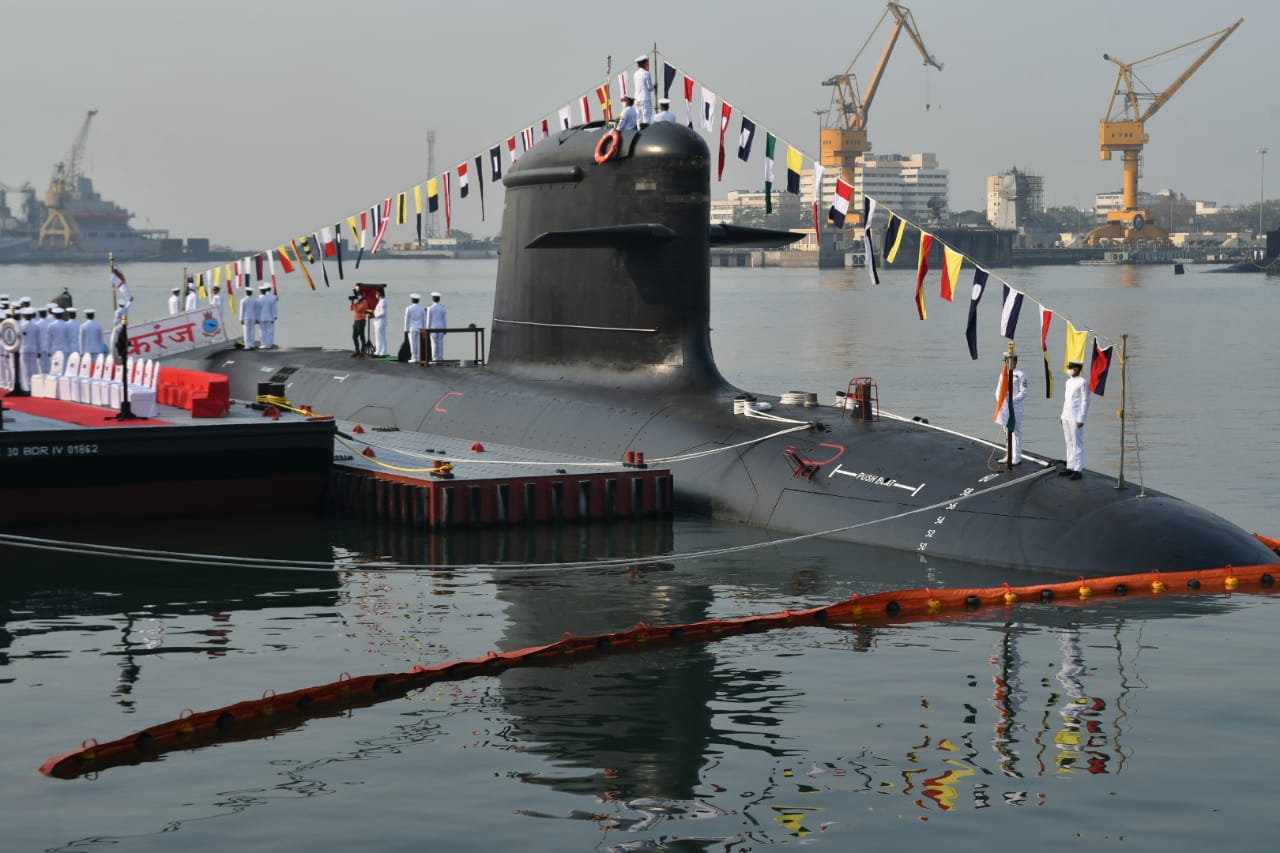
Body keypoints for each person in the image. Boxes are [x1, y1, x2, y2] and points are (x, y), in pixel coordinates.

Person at [994, 353, 1028, 465]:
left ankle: (1016, 456)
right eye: (1006, 361)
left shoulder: (1020, 374)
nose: (1008, 363)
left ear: (1015, 361)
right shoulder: (1003, 374)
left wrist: (1012, 402)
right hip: (1005, 407)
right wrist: (1001, 402)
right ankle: (1008, 454)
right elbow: (998, 390)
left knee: (1016, 432)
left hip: (1015, 407)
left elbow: (1024, 392)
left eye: (1010, 361)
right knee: (1007, 432)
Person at [1060, 360, 1090, 480]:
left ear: (1077, 369)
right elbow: (1066, 400)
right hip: (1066, 415)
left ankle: (1078, 469)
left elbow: (1085, 401)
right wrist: (1062, 415)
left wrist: (1081, 418)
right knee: (1068, 442)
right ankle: (1070, 466)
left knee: (1077, 443)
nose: (1069, 369)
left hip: (1076, 417)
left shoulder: (1083, 382)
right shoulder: (1068, 382)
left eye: (1071, 368)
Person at [404, 293, 427, 363]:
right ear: (418, 300)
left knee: (412, 343)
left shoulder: (409, 308)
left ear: (412, 300)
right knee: (418, 343)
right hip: (420, 328)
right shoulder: (422, 308)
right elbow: (424, 320)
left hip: (412, 328)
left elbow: (406, 319)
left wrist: (406, 329)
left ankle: (413, 357)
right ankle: (419, 357)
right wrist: (424, 329)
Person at [633, 55, 654, 128]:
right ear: (644, 63)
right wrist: (654, 86)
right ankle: (646, 132)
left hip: (637, 99)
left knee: (639, 119)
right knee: (646, 119)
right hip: (645, 99)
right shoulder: (646, 73)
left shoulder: (635, 74)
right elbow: (650, 88)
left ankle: (639, 132)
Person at [426, 291, 447, 362]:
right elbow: (444, 319)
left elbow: (428, 320)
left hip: (433, 328)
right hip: (441, 327)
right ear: (439, 299)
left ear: (432, 299)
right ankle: (440, 357)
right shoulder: (442, 308)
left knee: (434, 343)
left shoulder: (430, 308)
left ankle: (435, 357)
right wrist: (445, 328)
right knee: (440, 343)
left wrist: (427, 329)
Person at [257, 284, 278, 348]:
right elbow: (274, 308)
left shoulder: (259, 299)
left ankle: (264, 344)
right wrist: (275, 316)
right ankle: (269, 344)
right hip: (270, 317)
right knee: (270, 331)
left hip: (261, 317)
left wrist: (256, 318)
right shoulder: (272, 298)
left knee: (262, 331)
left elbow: (257, 309)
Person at [238, 285, 259, 350]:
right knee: (252, 331)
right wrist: (257, 318)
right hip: (253, 317)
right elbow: (256, 310)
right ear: (251, 293)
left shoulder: (243, 300)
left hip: (246, 318)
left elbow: (242, 310)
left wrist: (241, 319)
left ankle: (247, 346)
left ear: (246, 292)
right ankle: (252, 345)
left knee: (246, 332)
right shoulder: (255, 300)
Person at [350, 293, 370, 357]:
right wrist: (352, 301)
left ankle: (362, 351)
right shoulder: (357, 302)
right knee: (354, 336)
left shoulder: (364, 302)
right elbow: (351, 308)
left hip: (361, 321)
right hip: (356, 321)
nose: (357, 297)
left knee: (361, 336)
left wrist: (355, 304)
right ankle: (357, 350)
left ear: (361, 296)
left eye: (358, 296)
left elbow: (358, 310)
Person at [372, 289, 388, 356]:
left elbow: (383, 312)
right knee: (377, 337)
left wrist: (374, 315)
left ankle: (383, 352)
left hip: (381, 322)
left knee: (381, 337)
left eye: (376, 293)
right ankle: (378, 351)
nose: (376, 294)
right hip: (377, 322)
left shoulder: (383, 301)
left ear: (379, 293)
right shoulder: (380, 301)